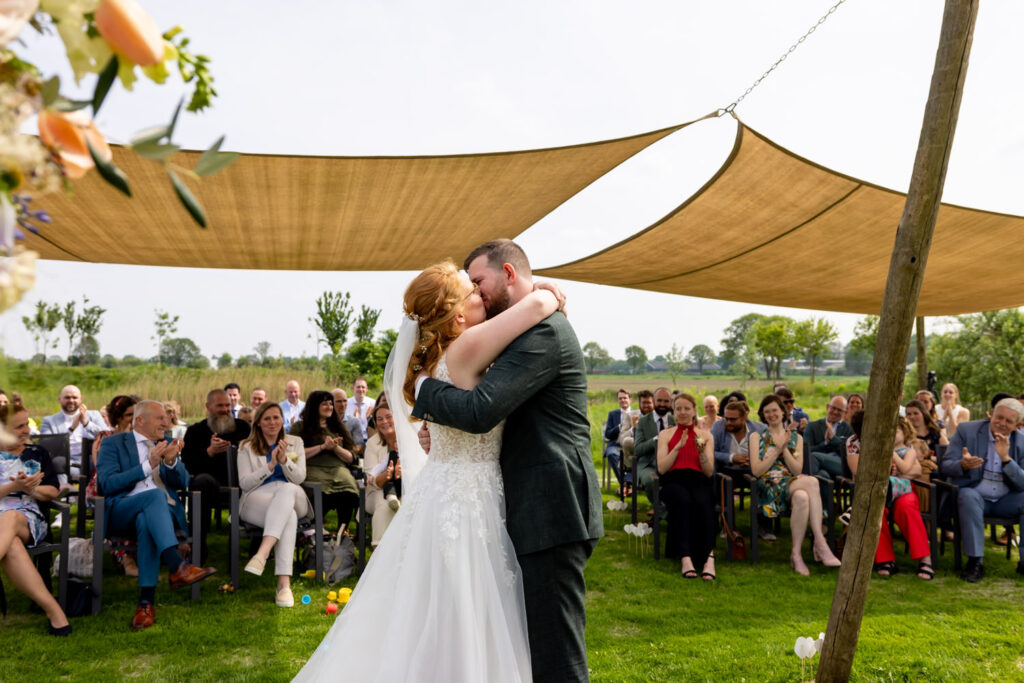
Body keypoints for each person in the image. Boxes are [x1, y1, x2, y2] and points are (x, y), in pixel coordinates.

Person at [297, 243, 597, 682]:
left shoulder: (523, 335)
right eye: (470, 290)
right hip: (479, 496)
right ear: (456, 315)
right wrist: (546, 293)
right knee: (480, 616)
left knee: (514, 628)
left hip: (528, 500)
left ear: (508, 272)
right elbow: (482, 406)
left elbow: (479, 410)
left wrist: (427, 400)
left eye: (479, 283)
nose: (479, 294)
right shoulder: (481, 340)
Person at [97, 400, 217, 630]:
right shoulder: (113, 444)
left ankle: (146, 603)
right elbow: (107, 484)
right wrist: (148, 465)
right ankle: (177, 566)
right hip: (122, 511)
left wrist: (171, 461)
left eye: (166, 417)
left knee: (147, 519)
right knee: (154, 496)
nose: (167, 421)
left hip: (162, 516)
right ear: (140, 420)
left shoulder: (168, 443)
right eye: (160, 418)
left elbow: (183, 483)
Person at [0, 402, 72, 635]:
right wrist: (14, 485)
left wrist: (30, 490)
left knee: (10, 517)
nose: (26, 430)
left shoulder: (37, 453)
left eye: (26, 424)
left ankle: (55, 613)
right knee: (10, 545)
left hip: (27, 518)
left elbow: (52, 491)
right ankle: (55, 613)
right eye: (18, 426)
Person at [749, 394, 840, 575]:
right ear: (763, 415)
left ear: (783, 412)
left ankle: (796, 554)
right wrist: (776, 450)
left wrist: (784, 448)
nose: (771, 414)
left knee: (802, 497)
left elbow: (796, 470)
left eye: (775, 410)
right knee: (812, 481)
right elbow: (757, 471)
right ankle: (820, 542)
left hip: (792, 483)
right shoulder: (756, 436)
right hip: (768, 485)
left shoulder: (796, 438)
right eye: (767, 412)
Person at [941, 398, 1024, 582]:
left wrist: (1006, 459)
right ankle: (975, 562)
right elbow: (945, 465)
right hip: (975, 494)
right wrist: (962, 465)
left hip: (1006, 500)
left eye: (1008, 421)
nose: (1002, 423)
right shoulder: (967, 431)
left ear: (1018, 425)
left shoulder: (1021, 442)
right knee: (968, 496)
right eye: (999, 417)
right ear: (991, 414)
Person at [238, 402, 309, 607]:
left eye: (276, 417)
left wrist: (285, 460)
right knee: (289, 517)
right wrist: (270, 466)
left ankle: (262, 553)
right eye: (267, 418)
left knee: (286, 491)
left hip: (293, 494)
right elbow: (244, 483)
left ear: (282, 419)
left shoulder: (296, 442)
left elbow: (300, 478)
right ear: (258, 422)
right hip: (258, 498)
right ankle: (284, 586)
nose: (272, 422)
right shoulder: (246, 447)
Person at [846, 413, 933, 579]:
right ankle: (885, 559)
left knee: (906, 507)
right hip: (877, 488)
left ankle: (925, 559)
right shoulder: (858, 442)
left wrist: (901, 473)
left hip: (902, 490)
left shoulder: (901, 444)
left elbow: (916, 470)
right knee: (875, 510)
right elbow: (861, 471)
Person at [182, 389, 251, 565]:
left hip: (243, 485)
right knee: (201, 482)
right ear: (208, 406)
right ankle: (198, 549)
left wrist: (234, 448)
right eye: (220, 405)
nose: (225, 409)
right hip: (212, 487)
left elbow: (255, 452)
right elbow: (188, 465)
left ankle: (257, 548)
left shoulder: (242, 428)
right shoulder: (196, 431)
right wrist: (209, 452)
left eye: (228, 405)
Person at [657, 393, 717, 580]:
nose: (682, 412)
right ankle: (685, 557)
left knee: (704, 501)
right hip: (673, 480)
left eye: (686, 409)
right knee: (682, 501)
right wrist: (677, 448)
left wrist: (701, 454)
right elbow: (662, 468)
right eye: (678, 409)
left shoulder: (705, 436)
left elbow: (708, 472)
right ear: (673, 411)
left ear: (693, 411)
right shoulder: (665, 434)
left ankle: (709, 558)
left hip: (698, 479)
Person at [290, 390, 359, 536]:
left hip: (338, 468)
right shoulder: (300, 427)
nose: (329, 407)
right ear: (315, 406)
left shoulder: (338, 428)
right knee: (321, 491)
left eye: (330, 404)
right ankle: (314, 530)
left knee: (348, 491)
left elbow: (351, 458)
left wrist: (335, 448)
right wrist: (321, 447)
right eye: (324, 404)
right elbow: (294, 455)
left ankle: (342, 531)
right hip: (313, 468)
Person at [40, 385, 106, 479]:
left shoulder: (94, 415)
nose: (71, 400)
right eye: (67, 397)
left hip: (91, 459)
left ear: (81, 399)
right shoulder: (49, 421)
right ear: (60, 399)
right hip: (67, 461)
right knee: (57, 462)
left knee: (98, 460)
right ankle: (63, 492)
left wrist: (87, 424)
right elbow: (47, 445)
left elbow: (106, 435)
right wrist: (71, 429)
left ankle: (97, 491)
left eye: (74, 397)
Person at [361, 399, 402, 545]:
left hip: (404, 487)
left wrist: (404, 472)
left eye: (388, 417)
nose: (384, 421)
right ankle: (378, 548)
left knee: (409, 504)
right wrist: (386, 475)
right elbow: (371, 479)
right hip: (376, 491)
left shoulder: (408, 439)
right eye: (379, 419)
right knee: (384, 504)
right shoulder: (372, 443)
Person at [635, 388, 675, 510]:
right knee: (650, 481)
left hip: (670, 465)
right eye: (659, 401)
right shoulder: (643, 421)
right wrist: (658, 438)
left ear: (671, 402)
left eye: (666, 401)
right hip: (649, 465)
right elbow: (638, 449)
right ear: (653, 400)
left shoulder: (674, 420)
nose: (662, 404)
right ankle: (665, 513)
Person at [805, 395, 853, 479]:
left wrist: (833, 439)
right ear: (827, 407)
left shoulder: (848, 428)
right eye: (833, 408)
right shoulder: (812, 426)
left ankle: (807, 483)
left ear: (845, 412)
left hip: (841, 466)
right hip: (819, 467)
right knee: (822, 476)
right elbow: (806, 451)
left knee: (814, 456)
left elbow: (848, 451)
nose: (835, 412)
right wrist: (825, 443)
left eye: (839, 410)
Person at [603, 389, 632, 496]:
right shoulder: (613, 414)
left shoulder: (636, 413)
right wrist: (619, 427)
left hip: (631, 446)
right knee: (611, 453)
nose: (622, 400)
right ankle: (625, 484)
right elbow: (608, 434)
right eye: (620, 398)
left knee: (636, 456)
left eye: (625, 398)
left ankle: (626, 484)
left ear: (630, 399)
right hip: (615, 444)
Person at [331, 388, 367, 456]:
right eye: (338, 401)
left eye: (345, 401)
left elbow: (359, 446)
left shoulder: (354, 422)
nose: (343, 404)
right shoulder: (323, 421)